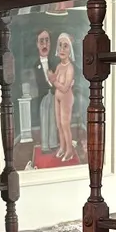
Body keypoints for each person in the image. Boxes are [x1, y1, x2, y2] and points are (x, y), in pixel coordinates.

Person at [50, 32, 77, 161]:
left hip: (66, 98)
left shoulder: (69, 68)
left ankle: (69, 151)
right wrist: (53, 80)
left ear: (70, 49)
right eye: (60, 46)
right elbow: (54, 80)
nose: (62, 49)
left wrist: (54, 81)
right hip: (57, 97)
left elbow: (65, 88)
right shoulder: (59, 66)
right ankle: (62, 147)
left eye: (65, 46)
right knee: (59, 124)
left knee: (65, 124)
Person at [32, 29, 58, 153]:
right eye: (41, 41)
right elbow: (35, 83)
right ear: (37, 44)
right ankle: (45, 146)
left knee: (53, 118)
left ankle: (53, 143)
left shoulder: (54, 63)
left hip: (53, 94)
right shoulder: (35, 65)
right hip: (42, 95)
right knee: (44, 119)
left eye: (47, 40)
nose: (44, 44)